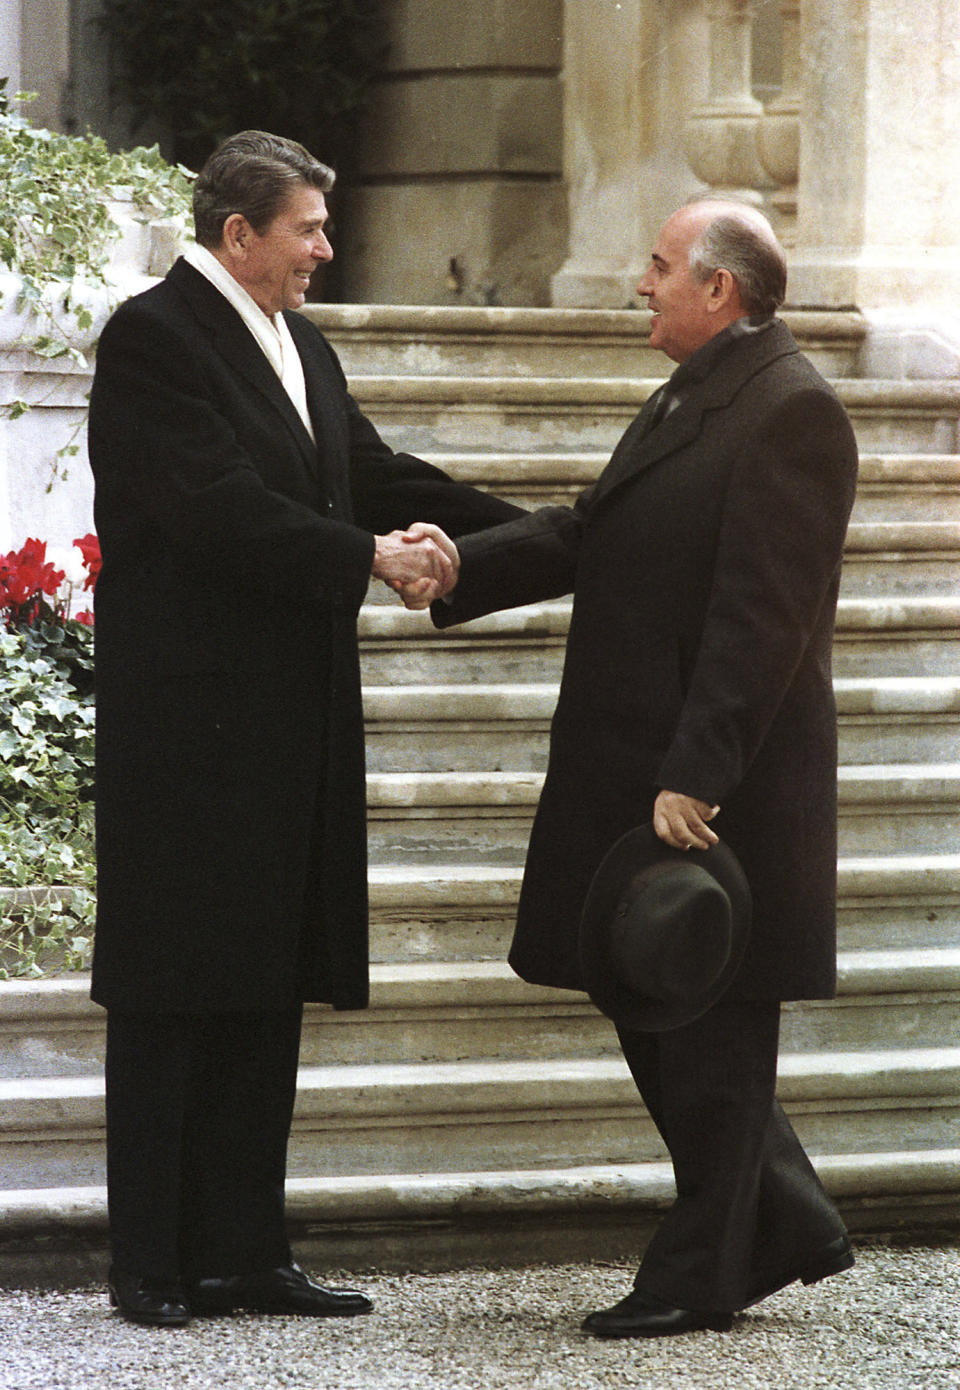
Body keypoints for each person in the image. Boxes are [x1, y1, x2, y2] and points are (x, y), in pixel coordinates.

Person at [87, 129, 522, 1327]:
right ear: (241, 234)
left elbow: (371, 476)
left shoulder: (300, 341)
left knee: (264, 983)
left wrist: (545, 537)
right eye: (309, 229)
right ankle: (154, 1264)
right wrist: (368, 561)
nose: (326, 248)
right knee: (175, 990)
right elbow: (216, 510)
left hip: (287, 721)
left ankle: (247, 1249)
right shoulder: (154, 339)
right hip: (186, 729)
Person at [429, 198, 859, 1336]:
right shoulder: (704, 390)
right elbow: (596, 529)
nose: (641, 284)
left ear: (720, 290)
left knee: (703, 1035)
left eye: (660, 267)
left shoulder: (793, 409)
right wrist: (456, 567)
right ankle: (786, 1218)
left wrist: (697, 775)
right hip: (644, 770)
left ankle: (699, 1274)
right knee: (660, 1009)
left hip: (714, 794)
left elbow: (763, 622)